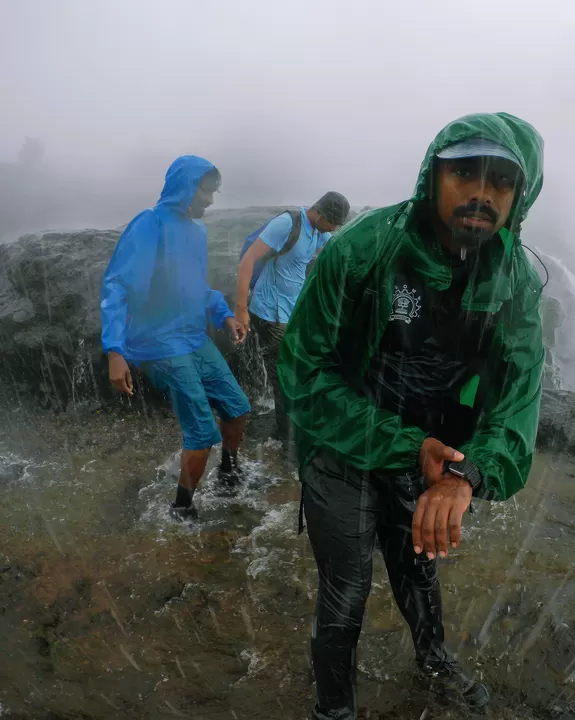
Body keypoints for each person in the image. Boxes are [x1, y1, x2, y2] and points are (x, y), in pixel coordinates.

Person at [278, 113, 545, 719]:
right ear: (433, 176)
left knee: (419, 570)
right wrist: (404, 443)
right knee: (346, 594)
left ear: (520, 196)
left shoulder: (513, 283)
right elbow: (302, 371)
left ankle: (433, 659)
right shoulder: (365, 249)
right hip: (343, 445)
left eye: (501, 180)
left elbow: (519, 398)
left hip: (434, 457)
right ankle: (334, 711)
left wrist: (466, 473)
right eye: (465, 172)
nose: (482, 192)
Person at [100, 155, 251, 520]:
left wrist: (225, 314)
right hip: (158, 342)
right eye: (206, 193)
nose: (211, 201)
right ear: (186, 188)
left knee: (237, 406)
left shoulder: (196, 232)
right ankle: (182, 508)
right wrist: (114, 350)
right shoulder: (149, 224)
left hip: (192, 336)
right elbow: (117, 286)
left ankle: (228, 471)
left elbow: (195, 287)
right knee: (201, 433)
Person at [234, 192, 349, 446]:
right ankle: (285, 434)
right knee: (287, 371)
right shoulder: (287, 224)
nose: (333, 228)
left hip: (291, 311)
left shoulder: (318, 231)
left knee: (292, 367)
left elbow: (339, 248)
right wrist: (241, 309)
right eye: (332, 222)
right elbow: (248, 260)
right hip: (270, 312)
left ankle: (284, 425)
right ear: (319, 213)